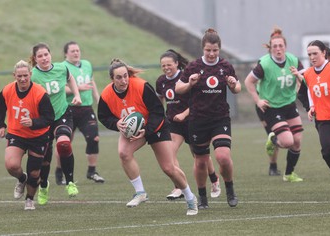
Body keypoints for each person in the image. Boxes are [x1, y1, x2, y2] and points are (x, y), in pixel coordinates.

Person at [98, 58, 198, 216]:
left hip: (155, 126)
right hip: (135, 129)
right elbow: (103, 116)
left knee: (169, 168)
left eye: (126, 76)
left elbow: (158, 111)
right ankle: (140, 192)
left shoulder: (140, 86)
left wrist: (147, 130)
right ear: (112, 79)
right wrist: (116, 123)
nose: (124, 80)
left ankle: (190, 197)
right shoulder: (106, 94)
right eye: (119, 77)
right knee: (124, 153)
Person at [175, 28, 241, 208]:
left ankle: (230, 190)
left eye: (215, 50)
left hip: (220, 118)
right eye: (208, 50)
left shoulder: (225, 66)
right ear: (203, 49)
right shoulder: (193, 67)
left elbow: (237, 87)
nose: (211, 54)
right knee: (202, 161)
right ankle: (202, 196)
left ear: (219, 49)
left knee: (223, 157)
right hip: (198, 120)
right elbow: (178, 88)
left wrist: (234, 85)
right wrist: (189, 83)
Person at [156, 49, 221, 208]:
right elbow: (160, 100)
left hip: (192, 121)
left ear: (177, 63)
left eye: (169, 64)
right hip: (174, 124)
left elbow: (197, 102)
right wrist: (160, 116)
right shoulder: (161, 81)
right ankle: (178, 187)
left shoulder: (186, 77)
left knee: (201, 157)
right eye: (163, 65)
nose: (166, 68)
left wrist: (184, 114)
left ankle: (214, 179)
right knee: (169, 153)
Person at [244, 27, 304, 182]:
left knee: (297, 141)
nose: (278, 49)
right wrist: (257, 100)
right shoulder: (264, 64)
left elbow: (305, 78)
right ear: (270, 48)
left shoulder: (294, 60)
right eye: (275, 46)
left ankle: (289, 173)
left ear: (285, 47)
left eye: (281, 46)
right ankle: (273, 145)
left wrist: (299, 80)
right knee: (287, 141)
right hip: (270, 106)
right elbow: (248, 81)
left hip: (289, 105)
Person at [0, 60, 55, 210]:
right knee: (11, 165)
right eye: (19, 76)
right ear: (14, 75)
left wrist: (33, 122)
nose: (22, 79)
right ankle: (22, 178)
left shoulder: (40, 93)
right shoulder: (8, 90)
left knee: (35, 172)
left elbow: (49, 117)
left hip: (38, 136)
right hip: (17, 134)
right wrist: (1, 125)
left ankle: (29, 199)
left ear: (30, 75)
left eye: (25, 75)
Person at [30, 42, 82, 205]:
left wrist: (77, 94)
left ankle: (70, 182)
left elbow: (70, 78)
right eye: (40, 56)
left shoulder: (61, 68)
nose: (44, 58)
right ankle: (44, 186)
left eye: (46, 54)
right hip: (43, 119)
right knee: (44, 159)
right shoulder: (31, 76)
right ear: (35, 59)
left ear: (50, 54)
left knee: (64, 144)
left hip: (62, 114)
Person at [54, 41, 105, 185]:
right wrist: (78, 88)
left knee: (94, 138)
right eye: (73, 51)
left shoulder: (87, 64)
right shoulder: (61, 67)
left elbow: (92, 81)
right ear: (66, 53)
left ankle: (92, 171)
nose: (76, 53)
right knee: (64, 143)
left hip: (86, 108)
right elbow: (60, 88)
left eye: (78, 50)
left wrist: (98, 98)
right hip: (68, 109)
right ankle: (59, 172)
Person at [292, 40, 330, 179]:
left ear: (324, 53)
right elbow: (307, 92)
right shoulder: (308, 74)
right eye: (309, 54)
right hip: (325, 120)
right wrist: (311, 107)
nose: (312, 57)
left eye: (315, 53)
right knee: (328, 153)